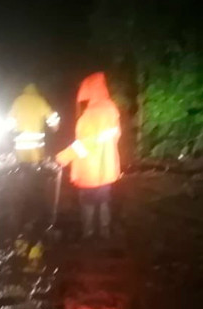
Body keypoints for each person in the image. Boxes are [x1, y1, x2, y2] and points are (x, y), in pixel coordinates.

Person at [54, 72, 121, 239]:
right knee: (104, 200)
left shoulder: (89, 115)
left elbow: (85, 144)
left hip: (89, 169)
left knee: (87, 202)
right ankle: (105, 232)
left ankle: (88, 234)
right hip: (107, 168)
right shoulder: (112, 110)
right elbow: (113, 137)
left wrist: (64, 156)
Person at [9, 84, 60, 165]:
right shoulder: (40, 101)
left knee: (22, 168)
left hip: (20, 147)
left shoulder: (18, 101)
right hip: (36, 148)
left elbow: (9, 122)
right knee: (36, 168)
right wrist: (55, 127)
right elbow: (52, 118)